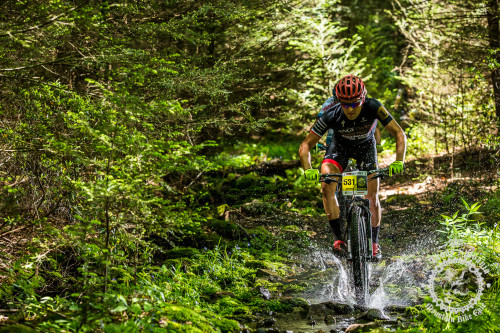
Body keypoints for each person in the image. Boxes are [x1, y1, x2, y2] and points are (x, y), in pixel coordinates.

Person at [299, 75, 407, 259]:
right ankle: (338, 239)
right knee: (326, 186)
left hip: (366, 148)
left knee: (371, 196)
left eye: (355, 103)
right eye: (345, 104)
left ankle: (374, 242)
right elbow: (305, 146)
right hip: (339, 148)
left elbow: (398, 133)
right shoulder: (332, 113)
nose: (350, 109)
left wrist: (399, 160)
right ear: (338, 101)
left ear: (363, 98)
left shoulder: (373, 106)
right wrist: (308, 168)